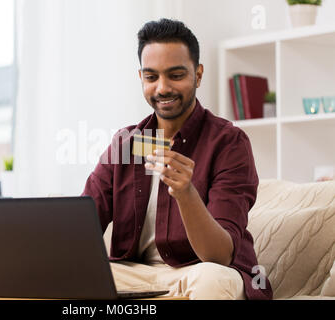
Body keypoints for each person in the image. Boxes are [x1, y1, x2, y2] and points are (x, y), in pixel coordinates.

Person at [81, 18, 273, 300]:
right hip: (138, 274)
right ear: (141, 78)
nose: (162, 88)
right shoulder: (126, 143)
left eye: (176, 75)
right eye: (151, 77)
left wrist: (186, 194)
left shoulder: (228, 143)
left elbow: (218, 255)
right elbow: (85, 224)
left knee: (212, 280)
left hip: (202, 272)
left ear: (198, 75)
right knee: (68, 273)